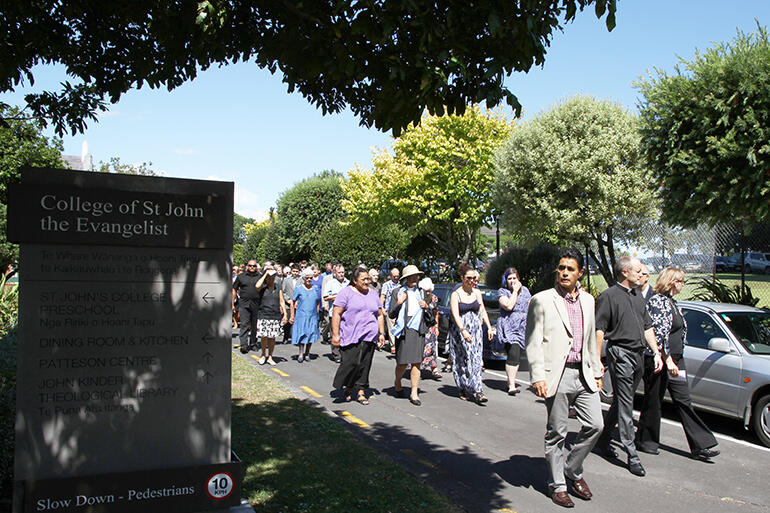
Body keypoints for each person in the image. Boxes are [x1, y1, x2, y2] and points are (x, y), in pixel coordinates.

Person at [526, 249, 603, 508]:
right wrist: (537, 376)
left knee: (596, 425)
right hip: (555, 375)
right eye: (561, 268)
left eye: (570, 269)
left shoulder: (589, 301)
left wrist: (596, 371)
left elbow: (590, 339)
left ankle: (572, 469)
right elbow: (533, 341)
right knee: (557, 432)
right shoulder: (541, 300)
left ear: (580, 272)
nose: (565, 273)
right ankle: (558, 485)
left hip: (583, 373)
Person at [636, 267, 720, 461]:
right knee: (654, 400)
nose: (683, 284)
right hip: (662, 359)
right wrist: (668, 360)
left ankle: (701, 445)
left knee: (683, 400)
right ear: (673, 282)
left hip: (676, 359)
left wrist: (675, 360)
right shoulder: (658, 301)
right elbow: (658, 334)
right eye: (681, 281)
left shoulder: (673, 303)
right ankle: (646, 441)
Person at [595, 256, 663, 477]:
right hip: (620, 353)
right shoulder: (608, 297)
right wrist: (597, 360)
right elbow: (600, 330)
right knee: (626, 404)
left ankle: (603, 440)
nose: (642, 274)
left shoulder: (638, 297)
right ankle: (631, 453)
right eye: (637, 270)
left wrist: (656, 352)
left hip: (638, 355)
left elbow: (647, 327)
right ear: (625, 272)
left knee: (621, 401)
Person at [331, 266, 386, 405]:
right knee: (351, 363)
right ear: (355, 281)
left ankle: (361, 391)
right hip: (351, 334)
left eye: (368, 278)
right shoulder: (346, 293)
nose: (367, 282)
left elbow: (379, 315)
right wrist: (335, 335)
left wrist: (381, 333)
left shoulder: (373, 294)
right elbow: (336, 313)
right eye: (364, 279)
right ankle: (348, 386)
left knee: (364, 364)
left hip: (369, 335)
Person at [388, 265, 436, 406]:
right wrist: (399, 303)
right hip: (403, 330)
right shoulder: (397, 291)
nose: (414, 278)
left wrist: (426, 306)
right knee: (402, 362)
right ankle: (398, 382)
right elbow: (391, 313)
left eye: (416, 276)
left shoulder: (422, 293)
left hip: (418, 329)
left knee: (416, 362)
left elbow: (430, 312)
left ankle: (414, 392)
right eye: (411, 276)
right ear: (406, 278)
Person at [448, 264, 493, 405]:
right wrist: (463, 330)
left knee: (476, 358)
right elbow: (455, 314)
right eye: (469, 278)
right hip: (461, 330)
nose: (472, 280)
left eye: (474, 278)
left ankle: (478, 390)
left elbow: (482, 310)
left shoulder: (477, 292)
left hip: (475, 329)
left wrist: (489, 327)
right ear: (462, 278)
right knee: (462, 359)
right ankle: (462, 386)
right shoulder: (456, 294)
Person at [497, 267, 531, 395]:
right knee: (514, 352)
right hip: (509, 328)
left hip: (522, 327)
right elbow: (509, 306)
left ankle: (511, 381)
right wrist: (515, 292)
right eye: (509, 279)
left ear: (518, 279)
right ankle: (511, 385)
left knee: (518, 354)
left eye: (514, 278)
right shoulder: (503, 292)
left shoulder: (526, 291)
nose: (512, 281)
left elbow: (530, 305)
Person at [254, 264, 287, 365]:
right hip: (264, 314)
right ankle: (263, 354)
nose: (271, 280)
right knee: (264, 336)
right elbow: (257, 286)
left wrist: (285, 314)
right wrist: (265, 275)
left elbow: (281, 301)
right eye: (269, 278)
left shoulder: (278, 286)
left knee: (272, 337)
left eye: (273, 278)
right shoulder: (263, 286)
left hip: (275, 314)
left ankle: (270, 356)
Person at [290, 268, 321, 363]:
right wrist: (292, 315)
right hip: (302, 314)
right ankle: (301, 353)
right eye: (307, 278)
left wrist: (317, 310)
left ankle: (307, 353)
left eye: (310, 278)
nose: (309, 280)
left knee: (311, 333)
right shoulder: (299, 289)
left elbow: (318, 301)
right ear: (303, 278)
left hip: (312, 315)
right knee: (302, 333)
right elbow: (293, 301)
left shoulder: (315, 288)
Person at [232, 260, 261, 353]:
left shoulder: (260, 277)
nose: (252, 267)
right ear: (247, 266)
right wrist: (232, 303)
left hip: (256, 304)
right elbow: (234, 289)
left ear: (256, 267)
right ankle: (243, 345)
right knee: (244, 324)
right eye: (250, 266)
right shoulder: (241, 277)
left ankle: (253, 343)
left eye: (254, 266)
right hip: (244, 303)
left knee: (254, 325)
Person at [323, 264, 349, 362]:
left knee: (345, 334)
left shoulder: (348, 283)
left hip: (346, 313)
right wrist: (338, 297)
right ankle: (336, 354)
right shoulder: (330, 283)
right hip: (334, 313)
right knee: (335, 333)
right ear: (335, 273)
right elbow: (326, 297)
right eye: (339, 272)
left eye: (343, 272)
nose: (341, 274)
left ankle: (344, 353)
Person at [418, 277, 442, 381]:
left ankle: (434, 369)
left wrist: (436, 326)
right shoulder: (418, 298)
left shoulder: (434, 298)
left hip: (431, 325)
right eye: (426, 291)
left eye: (429, 291)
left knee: (432, 347)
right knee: (421, 347)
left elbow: (436, 312)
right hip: (420, 324)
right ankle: (417, 368)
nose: (428, 293)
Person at [380, 267, 401, 353]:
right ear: (391, 276)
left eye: (397, 276)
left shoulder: (401, 285)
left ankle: (397, 344)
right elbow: (383, 297)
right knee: (391, 328)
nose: (396, 278)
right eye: (394, 276)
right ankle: (393, 346)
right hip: (390, 308)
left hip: (399, 309)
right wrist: (382, 308)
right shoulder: (386, 285)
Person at [282, 265, 300, 342]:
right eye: (294, 271)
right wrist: (287, 299)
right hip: (288, 303)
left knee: (297, 321)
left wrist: (298, 300)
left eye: (297, 271)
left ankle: (295, 337)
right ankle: (286, 337)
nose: (295, 273)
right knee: (288, 321)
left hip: (298, 303)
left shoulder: (301, 280)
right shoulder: (286, 280)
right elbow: (283, 291)